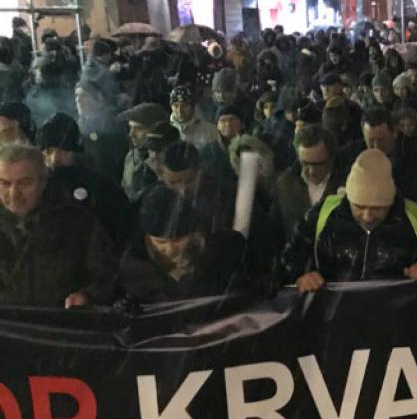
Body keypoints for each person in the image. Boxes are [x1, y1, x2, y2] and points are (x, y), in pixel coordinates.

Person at [0, 142, 116, 307]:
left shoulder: (79, 223)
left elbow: (108, 277)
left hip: (60, 325)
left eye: (25, 183)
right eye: (4, 183)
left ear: (43, 181)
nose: (14, 194)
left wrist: (87, 296)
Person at [117, 186, 248, 303]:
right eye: (160, 242)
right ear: (146, 237)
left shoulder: (224, 251)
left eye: (178, 240)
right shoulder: (132, 267)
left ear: (193, 233)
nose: (170, 249)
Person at [36, 113, 135, 248]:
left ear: (75, 150)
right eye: (48, 151)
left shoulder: (101, 187)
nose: (55, 159)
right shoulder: (35, 186)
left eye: (63, 151)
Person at [270, 125, 340, 241]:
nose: (311, 171)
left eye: (318, 164)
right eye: (305, 164)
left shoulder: (346, 185)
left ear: (331, 158)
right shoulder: (285, 184)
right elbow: (275, 230)